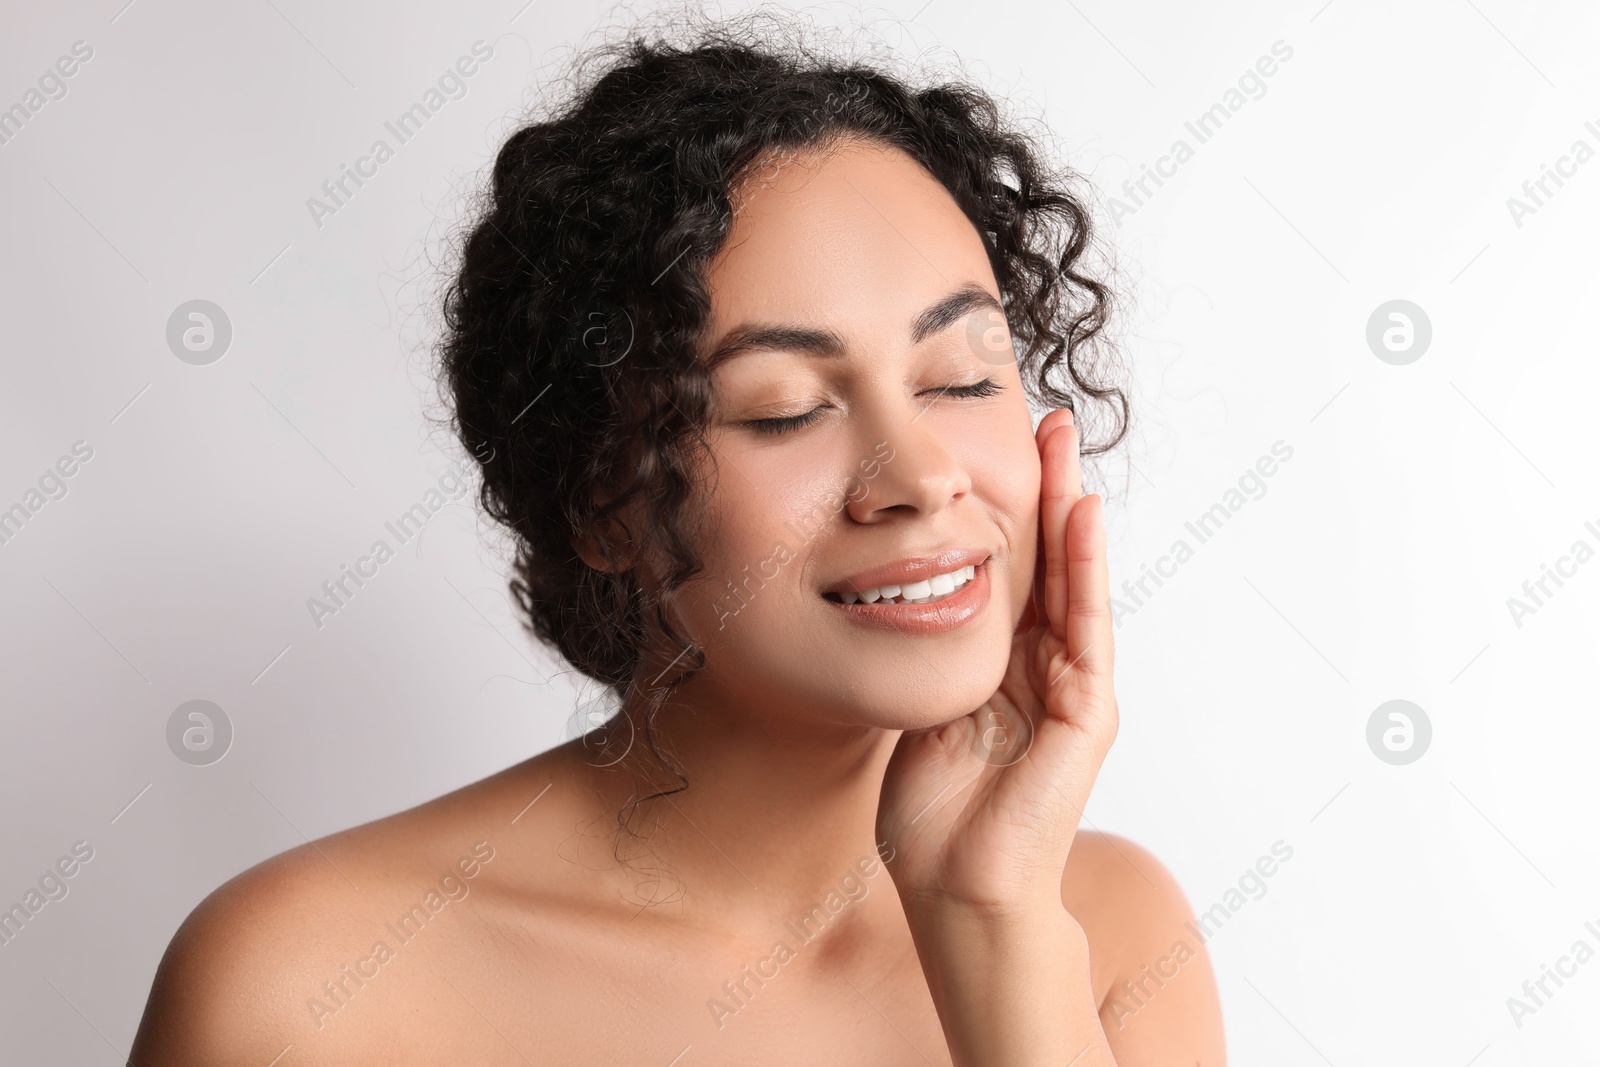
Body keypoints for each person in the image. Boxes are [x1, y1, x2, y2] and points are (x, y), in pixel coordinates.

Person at [131, 13, 1225, 1064]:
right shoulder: (307, 985)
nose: (924, 476)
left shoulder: (1109, 934)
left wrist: (993, 925)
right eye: (785, 407)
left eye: (961, 378)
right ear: (603, 499)